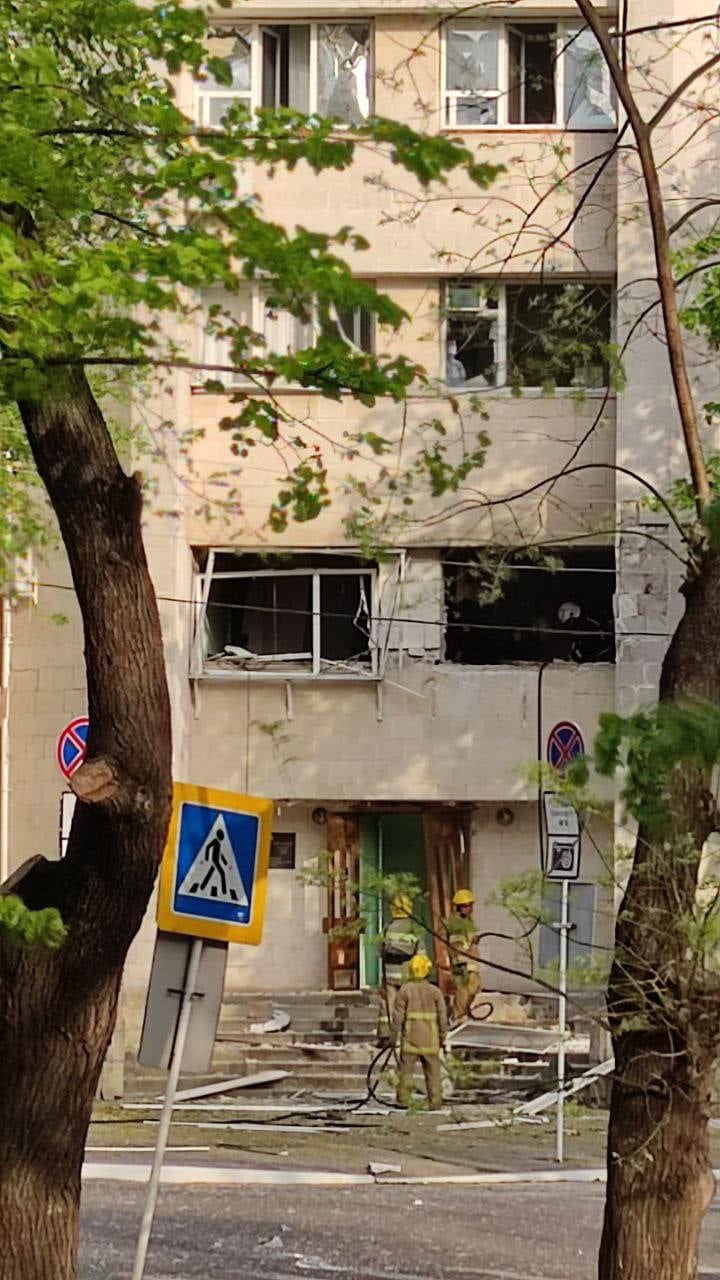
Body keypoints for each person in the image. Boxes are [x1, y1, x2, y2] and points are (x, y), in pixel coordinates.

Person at [392, 953, 448, 1111]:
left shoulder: (405, 990)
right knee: (433, 1073)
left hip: (410, 1039)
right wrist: (443, 1035)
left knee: (406, 1072)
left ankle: (403, 1100)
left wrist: (393, 1036)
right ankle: (435, 1101)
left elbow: (398, 1016)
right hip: (431, 1040)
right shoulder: (435, 991)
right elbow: (442, 1016)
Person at [377, 893, 426, 1042]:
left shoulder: (387, 928)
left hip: (390, 975)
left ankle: (386, 1036)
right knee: (408, 1005)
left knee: (388, 1006)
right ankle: (408, 1034)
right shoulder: (414, 928)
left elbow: (379, 949)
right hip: (408, 974)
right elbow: (421, 954)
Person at [445, 888, 482, 1023]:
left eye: (471, 905)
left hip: (471, 961)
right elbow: (457, 946)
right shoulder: (456, 923)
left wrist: (474, 943)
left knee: (475, 987)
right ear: (459, 907)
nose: (470, 908)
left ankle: (463, 1013)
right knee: (463, 991)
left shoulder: (468, 921)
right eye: (467, 906)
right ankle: (457, 1017)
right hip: (462, 962)